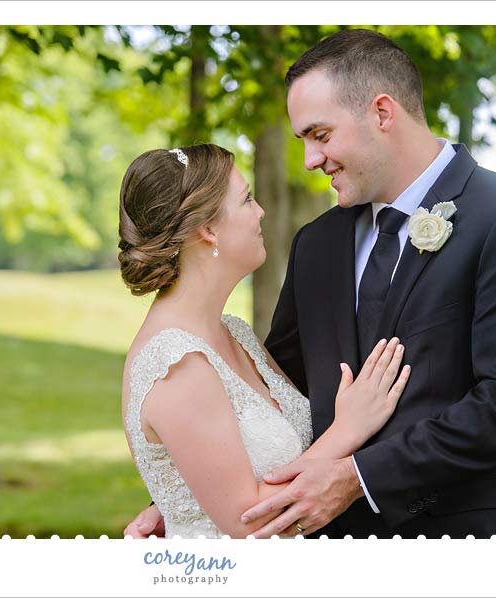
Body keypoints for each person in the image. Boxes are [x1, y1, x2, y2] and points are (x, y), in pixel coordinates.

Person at [126, 29, 496, 540]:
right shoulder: (317, 243)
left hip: (471, 546)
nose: (311, 161)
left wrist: (359, 478)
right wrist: (195, 489)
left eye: (320, 135)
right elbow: (274, 395)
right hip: (331, 551)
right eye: (303, 141)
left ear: (382, 113)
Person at [118, 144, 411, 538]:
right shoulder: (176, 364)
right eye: (246, 200)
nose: (260, 212)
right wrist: (349, 428)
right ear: (207, 229)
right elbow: (251, 523)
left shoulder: (234, 334)